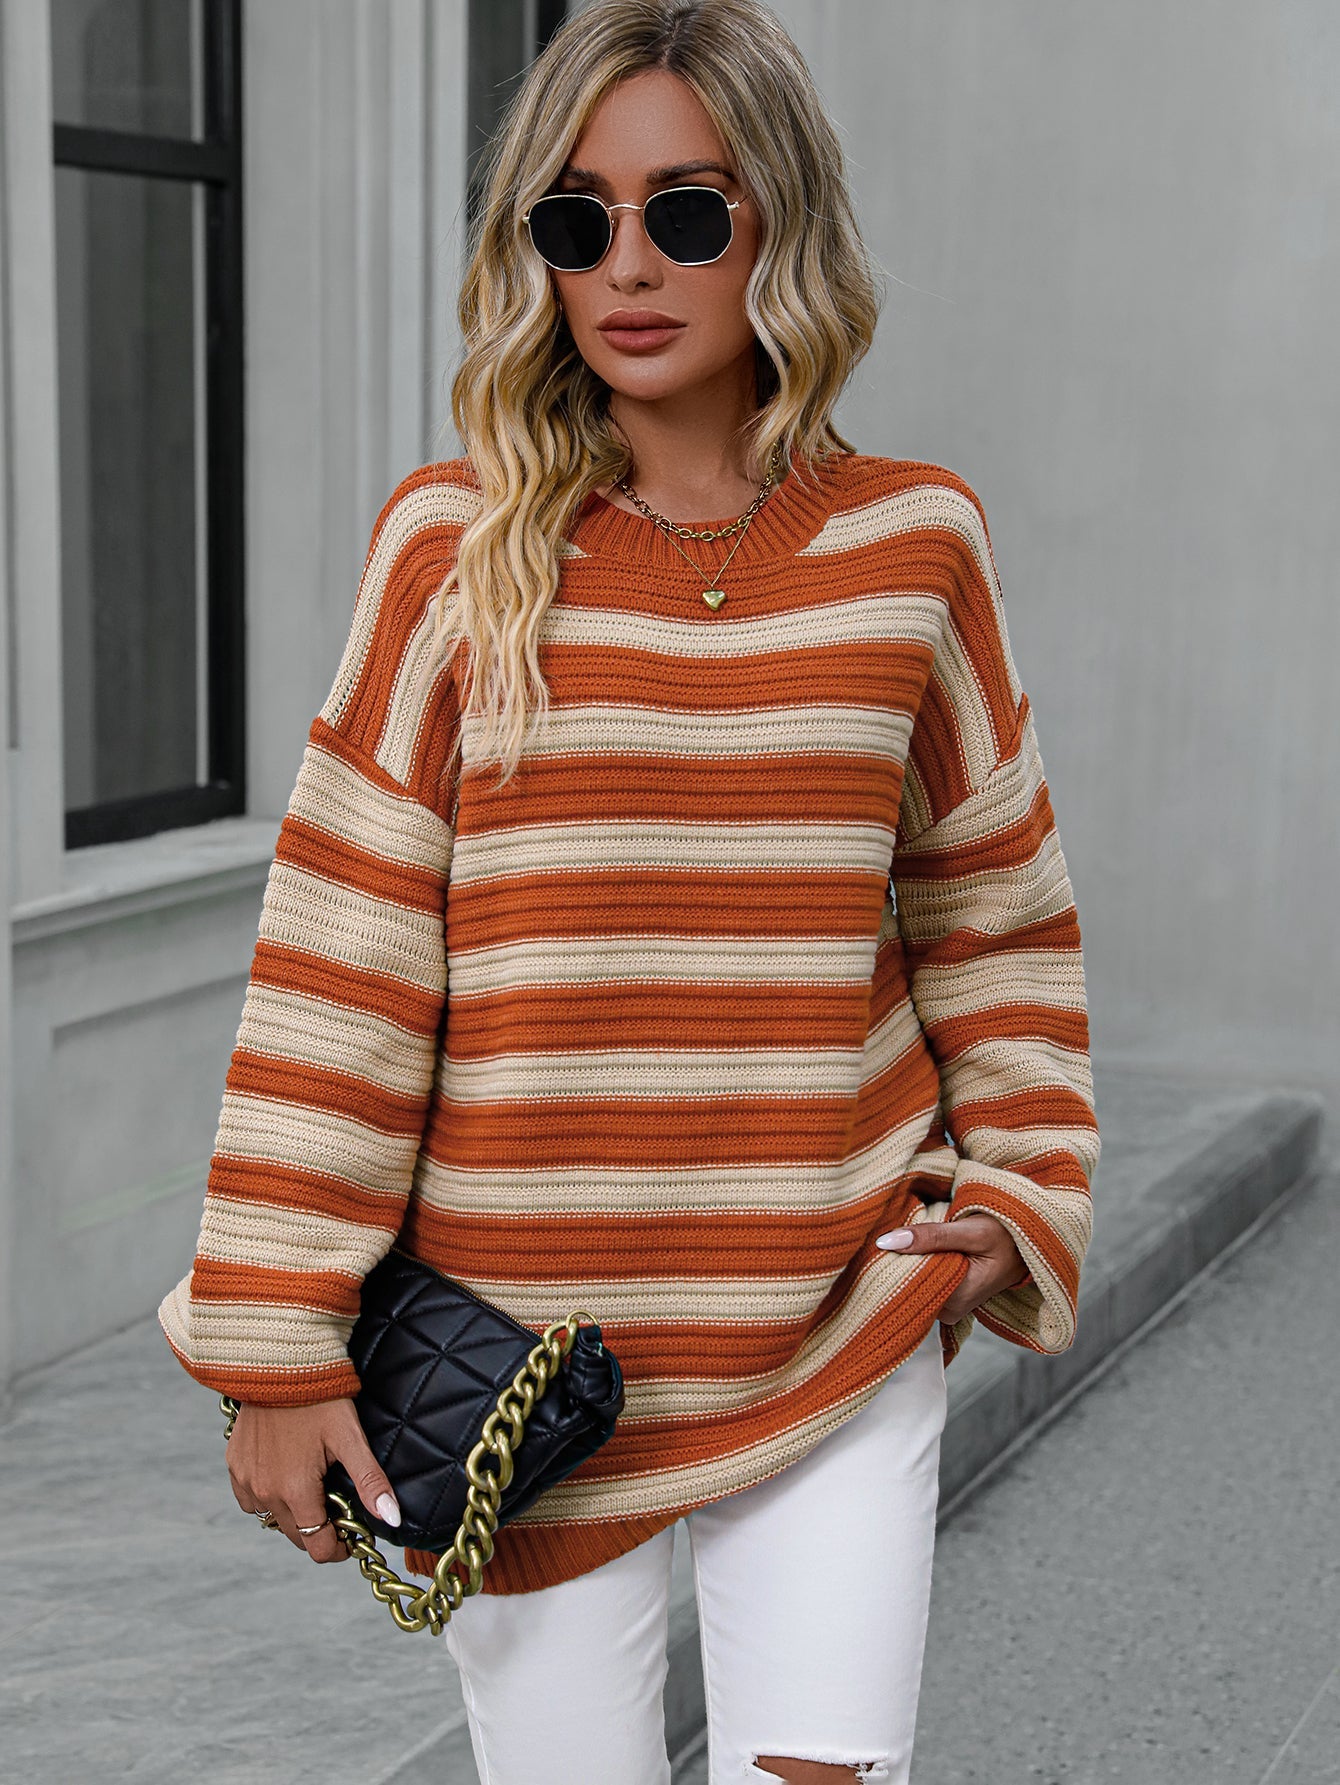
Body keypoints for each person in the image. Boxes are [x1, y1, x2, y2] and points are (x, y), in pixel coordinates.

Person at [158, 3, 1100, 1780]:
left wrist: (1023, 1184)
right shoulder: (451, 551)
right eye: (574, 221)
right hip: (524, 1370)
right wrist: (279, 1343)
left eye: (684, 210)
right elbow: (342, 961)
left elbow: (992, 908)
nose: (629, 266)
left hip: (834, 1306)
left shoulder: (915, 545)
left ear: (778, 223)